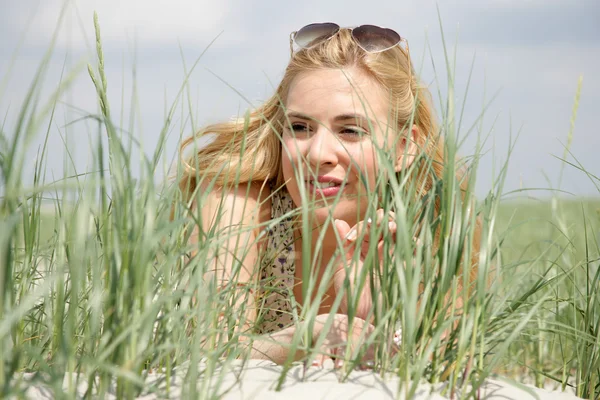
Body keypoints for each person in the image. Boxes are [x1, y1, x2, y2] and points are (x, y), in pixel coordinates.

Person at [177, 23, 480, 367]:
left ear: (403, 147)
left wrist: (382, 321)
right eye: (300, 127)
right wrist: (305, 337)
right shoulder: (239, 202)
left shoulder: (427, 223)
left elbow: (455, 366)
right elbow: (206, 354)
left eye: (350, 130)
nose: (318, 153)